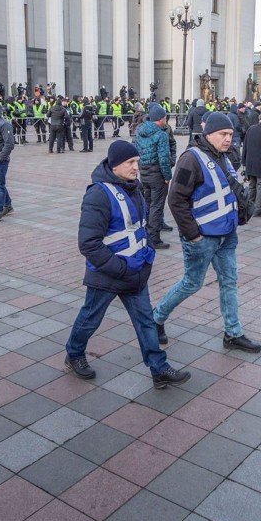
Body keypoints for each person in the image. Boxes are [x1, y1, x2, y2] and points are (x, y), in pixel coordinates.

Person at [64, 141, 190, 386]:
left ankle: (159, 368)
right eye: (131, 163)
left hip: (135, 270)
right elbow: (88, 244)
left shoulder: (135, 187)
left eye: (137, 162)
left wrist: (147, 256)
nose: (136, 167)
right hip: (109, 273)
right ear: (115, 165)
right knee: (91, 317)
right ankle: (75, 353)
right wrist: (118, 268)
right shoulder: (98, 194)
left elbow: (138, 228)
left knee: (145, 320)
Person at [153, 112, 261, 353]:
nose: (228, 139)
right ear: (208, 133)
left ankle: (233, 333)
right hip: (202, 238)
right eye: (223, 134)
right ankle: (156, 318)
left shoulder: (223, 156)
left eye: (231, 135)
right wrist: (193, 235)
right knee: (191, 283)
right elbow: (176, 199)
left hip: (227, 235)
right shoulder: (190, 159)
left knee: (229, 282)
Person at [134, 103, 174, 247]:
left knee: (147, 203)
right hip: (157, 174)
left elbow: (135, 150)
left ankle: (145, 231)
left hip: (144, 172)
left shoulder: (139, 130)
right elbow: (163, 158)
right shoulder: (161, 134)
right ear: (160, 119)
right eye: (164, 118)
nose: (165, 120)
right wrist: (167, 176)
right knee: (157, 206)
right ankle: (154, 238)